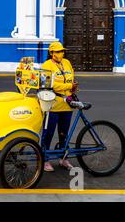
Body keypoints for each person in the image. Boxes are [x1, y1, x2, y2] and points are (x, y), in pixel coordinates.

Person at [41, 42, 79, 172]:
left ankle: (63, 158)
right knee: (48, 134)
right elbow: (50, 85)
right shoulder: (46, 65)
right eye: (57, 52)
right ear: (51, 53)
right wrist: (69, 86)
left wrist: (73, 85)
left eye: (62, 51)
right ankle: (45, 159)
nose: (60, 54)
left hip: (66, 105)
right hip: (52, 105)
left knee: (63, 133)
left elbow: (71, 78)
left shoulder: (67, 63)